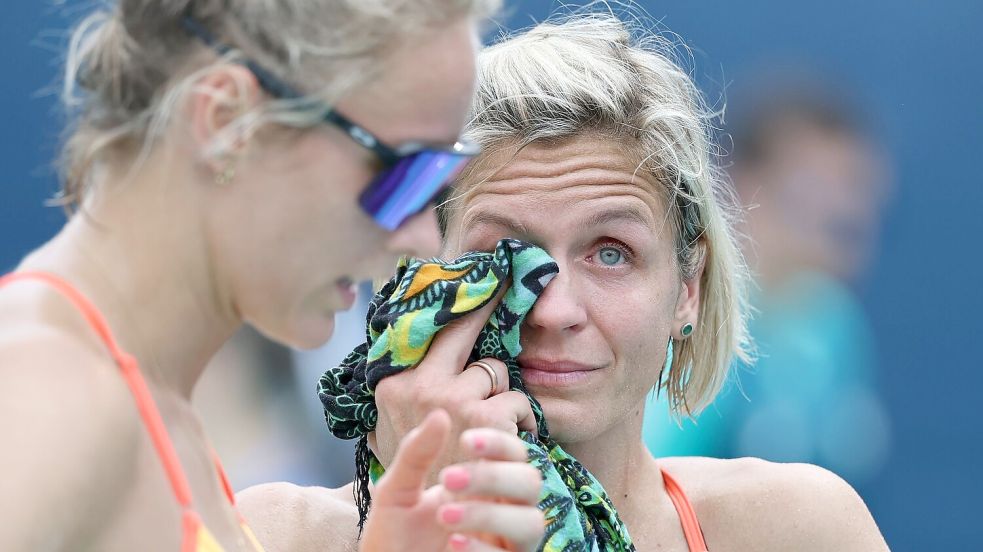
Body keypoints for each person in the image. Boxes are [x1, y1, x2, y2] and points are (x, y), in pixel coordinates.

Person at [0, 1, 546, 550]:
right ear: (226, 121)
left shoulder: (139, 402)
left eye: (441, 179)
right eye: (401, 170)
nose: (423, 238)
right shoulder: (49, 388)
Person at [354, 14, 891, 551]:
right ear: (420, 275)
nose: (552, 308)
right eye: (504, 253)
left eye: (611, 254)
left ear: (688, 287)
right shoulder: (281, 531)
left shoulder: (804, 530)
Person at [642, 77, 893, 483]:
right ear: (741, 182)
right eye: (817, 186)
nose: (846, 210)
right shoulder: (690, 319)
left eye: (858, 187)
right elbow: (642, 492)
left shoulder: (835, 322)